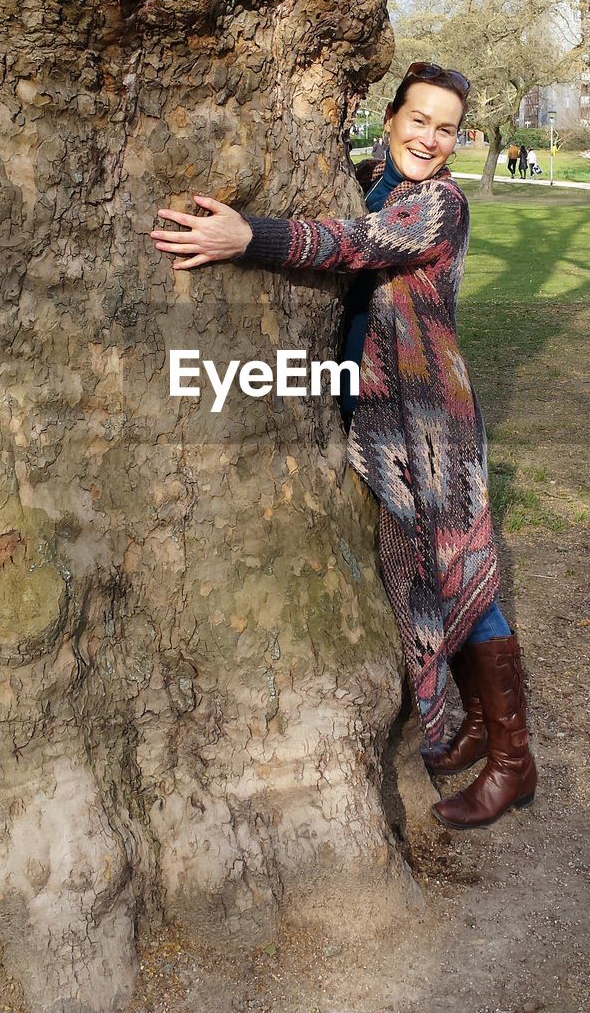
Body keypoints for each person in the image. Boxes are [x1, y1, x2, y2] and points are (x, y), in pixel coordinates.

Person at [149, 61, 537, 832]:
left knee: (465, 575)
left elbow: (349, 244)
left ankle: (511, 760)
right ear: (391, 118)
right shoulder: (362, 178)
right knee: (426, 568)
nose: (428, 138)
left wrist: (244, 236)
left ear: (456, 143)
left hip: (433, 423)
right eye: (418, 119)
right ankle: (468, 721)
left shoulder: (439, 204)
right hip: (381, 417)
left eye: (445, 128)